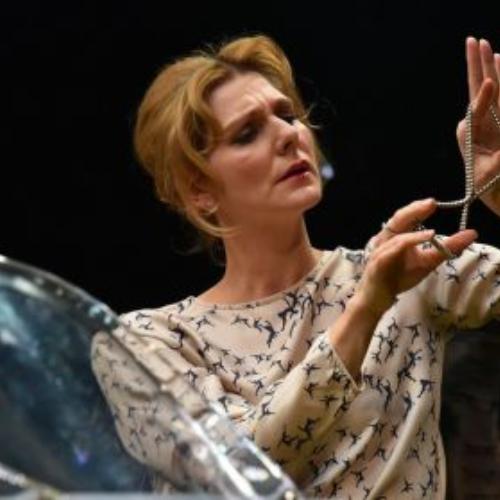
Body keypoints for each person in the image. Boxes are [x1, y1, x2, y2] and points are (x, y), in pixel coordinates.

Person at [91, 34, 500, 498]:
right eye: (247, 133)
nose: (289, 135)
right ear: (198, 189)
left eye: (287, 116)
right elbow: (233, 471)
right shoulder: (145, 341)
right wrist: (366, 308)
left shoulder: (405, 273)